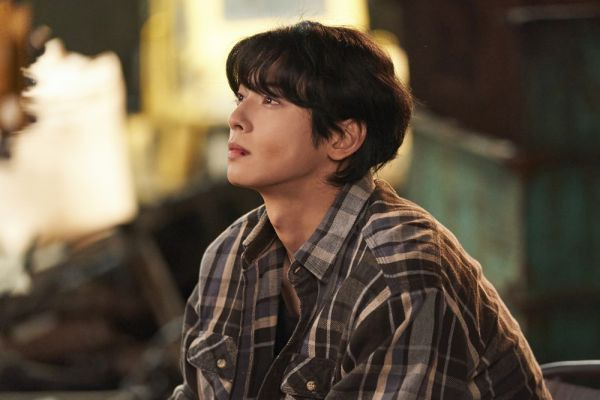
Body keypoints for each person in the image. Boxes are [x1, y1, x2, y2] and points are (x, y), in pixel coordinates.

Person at [169, 21, 550, 399]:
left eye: (270, 100)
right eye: (241, 97)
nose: (236, 119)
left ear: (341, 138)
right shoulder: (228, 256)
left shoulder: (398, 271)